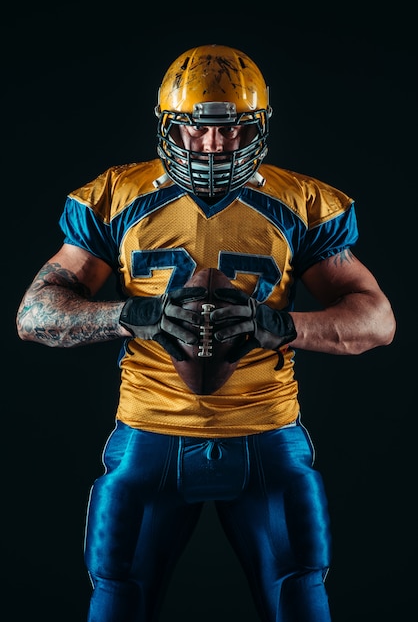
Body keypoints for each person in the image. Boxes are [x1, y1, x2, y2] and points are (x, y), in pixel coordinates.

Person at [16, 44, 396, 622]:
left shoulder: (299, 202)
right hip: (149, 429)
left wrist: (283, 325)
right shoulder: (119, 196)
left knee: (300, 599)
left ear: (259, 127)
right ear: (170, 126)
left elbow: (377, 320)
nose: (214, 145)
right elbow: (35, 314)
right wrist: (125, 315)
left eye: (233, 129)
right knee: (118, 600)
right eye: (196, 130)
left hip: (266, 431)